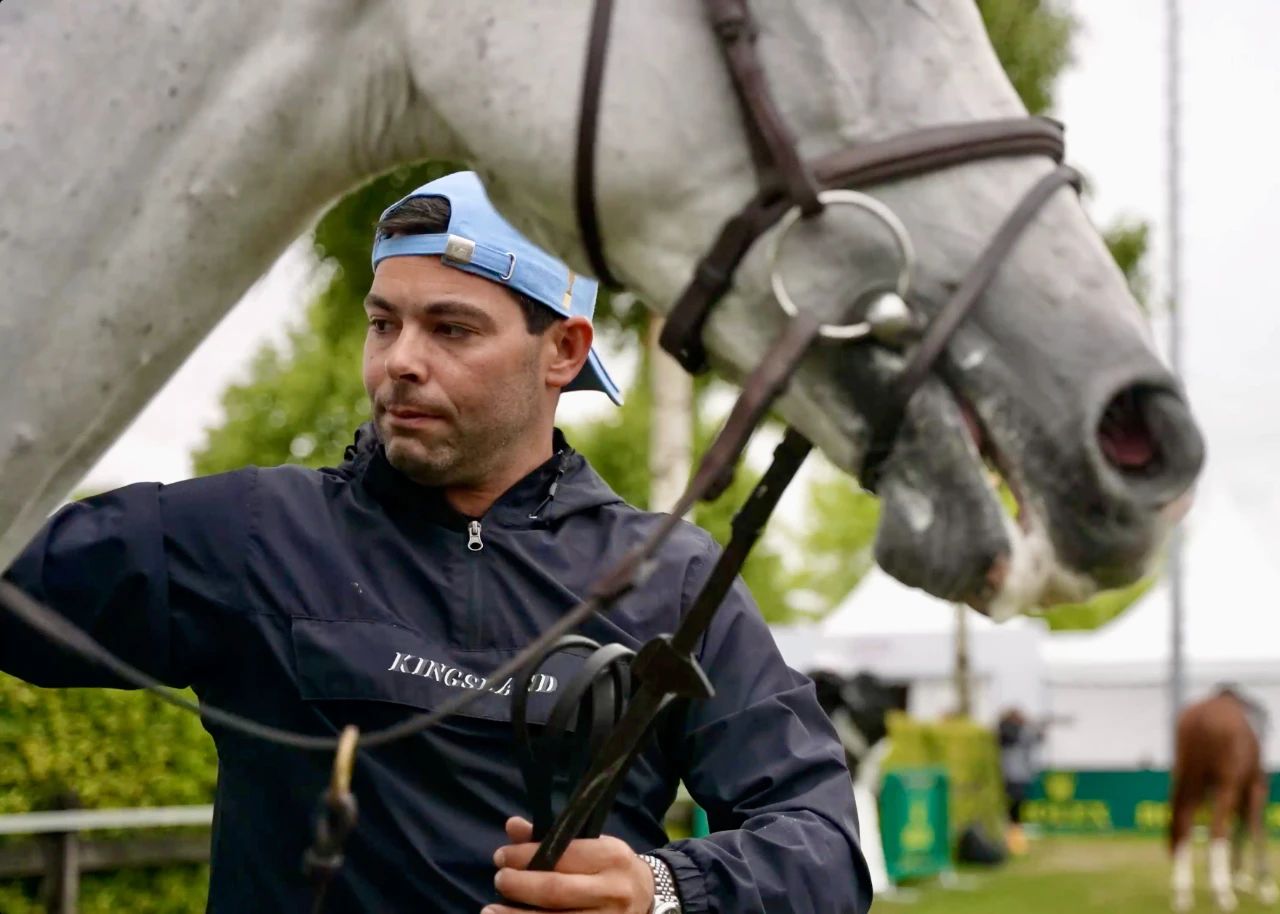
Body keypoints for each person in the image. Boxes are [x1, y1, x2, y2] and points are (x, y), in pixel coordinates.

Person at [1, 172, 872, 913]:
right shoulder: (250, 533)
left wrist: (659, 889)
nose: (400, 361)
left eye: (451, 329)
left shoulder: (671, 580)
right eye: (384, 323)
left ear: (563, 350)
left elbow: (823, 849)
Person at [997, 707, 1045, 856]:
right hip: (1010, 775)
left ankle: (1014, 839)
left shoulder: (1019, 732)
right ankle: (1011, 839)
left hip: (1018, 775)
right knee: (1012, 808)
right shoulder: (1007, 732)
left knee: (1017, 808)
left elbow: (1038, 738)